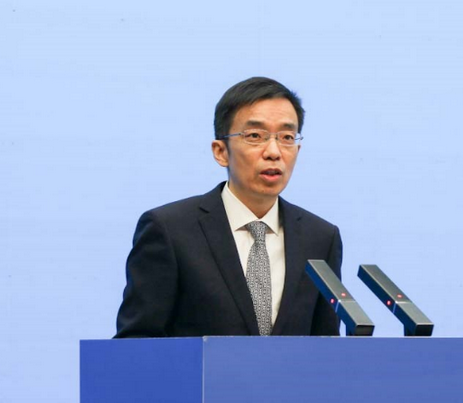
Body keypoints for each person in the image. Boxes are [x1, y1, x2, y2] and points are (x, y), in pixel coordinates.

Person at [114, 77, 342, 338]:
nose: (274, 151)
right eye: (255, 136)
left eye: (286, 137)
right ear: (221, 151)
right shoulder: (170, 231)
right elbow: (136, 343)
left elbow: (327, 346)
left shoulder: (320, 238)